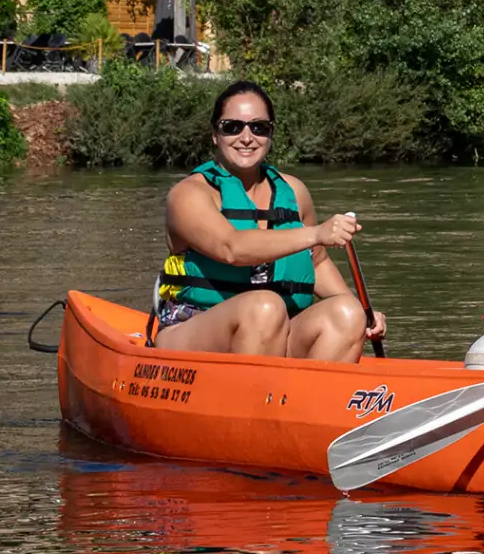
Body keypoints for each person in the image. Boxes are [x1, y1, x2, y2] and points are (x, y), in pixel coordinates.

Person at [154, 80, 383, 360]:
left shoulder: (294, 192)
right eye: (232, 127)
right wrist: (315, 233)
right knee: (265, 306)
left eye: (259, 127)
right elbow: (232, 248)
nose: (247, 137)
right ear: (215, 134)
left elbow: (317, 261)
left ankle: (307, 401)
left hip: (274, 332)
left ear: (271, 134)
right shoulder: (189, 194)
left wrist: (364, 315)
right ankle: (250, 399)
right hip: (194, 331)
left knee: (347, 313)